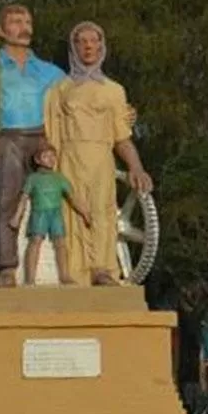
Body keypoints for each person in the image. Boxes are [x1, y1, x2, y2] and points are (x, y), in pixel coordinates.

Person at [0, 3, 68, 287]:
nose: (24, 27)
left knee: (59, 195)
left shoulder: (49, 71)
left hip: (43, 138)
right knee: (6, 199)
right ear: (0, 29)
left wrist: (122, 112)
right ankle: (5, 267)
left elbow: (79, 96)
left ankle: (69, 266)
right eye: (16, 21)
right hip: (7, 136)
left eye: (28, 21)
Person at [44, 21, 153, 286]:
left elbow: (122, 138)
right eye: (82, 41)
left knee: (102, 214)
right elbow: (50, 136)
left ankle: (102, 270)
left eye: (94, 41)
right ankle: (70, 274)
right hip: (68, 159)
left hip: (101, 160)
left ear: (102, 46)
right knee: (71, 215)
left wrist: (136, 167)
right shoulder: (58, 90)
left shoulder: (115, 91)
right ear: (73, 47)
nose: (88, 46)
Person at [9, 145, 93, 285]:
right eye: (46, 156)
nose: (51, 159)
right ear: (38, 160)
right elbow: (23, 198)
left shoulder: (59, 178)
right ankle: (30, 278)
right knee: (35, 242)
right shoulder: (33, 178)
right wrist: (16, 217)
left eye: (53, 156)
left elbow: (73, 197)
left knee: (60, 243)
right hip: (39, 213)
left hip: (55, 214)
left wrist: (84, 212)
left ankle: (65, 275)